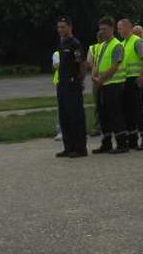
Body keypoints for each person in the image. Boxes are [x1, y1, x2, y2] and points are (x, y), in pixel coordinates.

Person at [91, 17, 128, 154]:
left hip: (114, 84)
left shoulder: (116, 45)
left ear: (112, 29)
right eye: (100, 29)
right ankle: (106, 143)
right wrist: (95, 75)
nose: (102, 32)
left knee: (115, 114)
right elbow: (97, 62)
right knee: (103, 114)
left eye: (105, 29)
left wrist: (101, 78)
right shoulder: (102, 45)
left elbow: (115, 66)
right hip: (103, 84)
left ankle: (122, 143)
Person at [117, 17, 143, 151]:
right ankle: (132, 139)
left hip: (134, 79)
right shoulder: (123, 43)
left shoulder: (136, 42)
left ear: (128, 28)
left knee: (138, 110)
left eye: (120, 28)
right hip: (125, 79)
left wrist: (141, 76)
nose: (119, 31)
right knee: (128, 111)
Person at [54, 17, 88, 158]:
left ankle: (80, 148)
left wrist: (79, 79)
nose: (61, 30)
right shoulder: (62, 44)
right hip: (62, 83)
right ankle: (68, 146)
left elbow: (82, 63)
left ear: (70, 27)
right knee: (64, 116)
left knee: (75, 116)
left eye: (63, 27)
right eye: (59, 27)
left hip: (72, 83)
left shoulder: (75, 44)